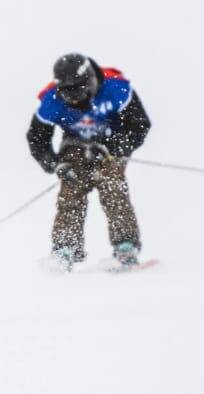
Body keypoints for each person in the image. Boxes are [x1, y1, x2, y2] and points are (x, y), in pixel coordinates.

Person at [26, 53, 151, 270]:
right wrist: (54, 163)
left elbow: (140, 126)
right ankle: (65, 249)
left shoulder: (116, 90)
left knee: (112, 185)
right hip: (75, 144)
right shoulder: (52, 100)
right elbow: (37, 138)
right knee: (71, 189)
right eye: (69, 94)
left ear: (90, 80)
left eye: (80, 92)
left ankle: (125, 246)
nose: (76, 99)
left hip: (111, 141)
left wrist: (115, 146)